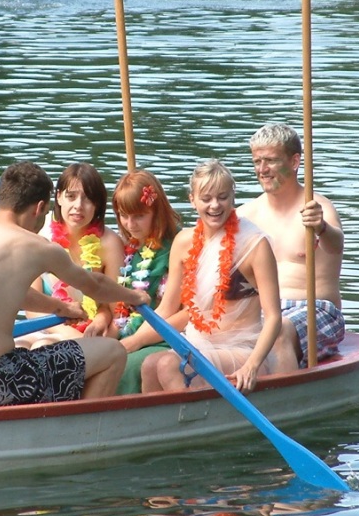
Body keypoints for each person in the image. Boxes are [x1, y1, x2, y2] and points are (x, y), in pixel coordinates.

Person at [0, 162, 151, 409]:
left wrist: (60, 307)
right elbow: (95, 284)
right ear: (40, 208)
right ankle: (79, 431)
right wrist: (135, 296)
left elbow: (13, 292)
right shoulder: (38, 246)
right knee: (113, 351)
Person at [141, 160, 298, 394]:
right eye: (206, 199)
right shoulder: (184, 242)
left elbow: (274, 317)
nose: (215, 205)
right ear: (192, 199)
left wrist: (251, 366)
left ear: (233, 197)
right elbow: (166, 310)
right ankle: (160, 428)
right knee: (148, 365)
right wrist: (128, 343)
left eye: (222, 197)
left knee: (167, 365)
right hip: (197, 342)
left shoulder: (255, 245)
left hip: (243, 348)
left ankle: (199, 423)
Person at [237, 123, 346, 366]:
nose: (262, 170)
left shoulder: (316, 207)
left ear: (295, 162)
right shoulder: (245, 215)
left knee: (277, 329)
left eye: (271, 161)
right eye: (257, 162)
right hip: (261, 309)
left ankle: (286, 399)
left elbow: (335, 245)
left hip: (315, 309)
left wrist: (321, 228)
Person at [18, 162, 126, 347]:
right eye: (71, 196)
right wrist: (65, 331)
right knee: (22, 347)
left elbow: (115, 309)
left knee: (43, 349)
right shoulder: (40, 235)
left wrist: (99, 322)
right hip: (46, 327)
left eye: (88, 199)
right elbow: (31, 305)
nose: (78, 206)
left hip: (92, 331)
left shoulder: (110, 243)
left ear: (98, 204)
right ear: (59, 197)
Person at [110, 170, 181, 394]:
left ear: (156, 212)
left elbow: (188, 313)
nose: (130, 224)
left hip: (166, 338)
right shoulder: (132, 249)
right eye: (123, 215)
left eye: (139, 215)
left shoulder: (178, 247)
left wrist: (138, 341)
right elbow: (123, 314)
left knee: (122, 368)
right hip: (129, 334)